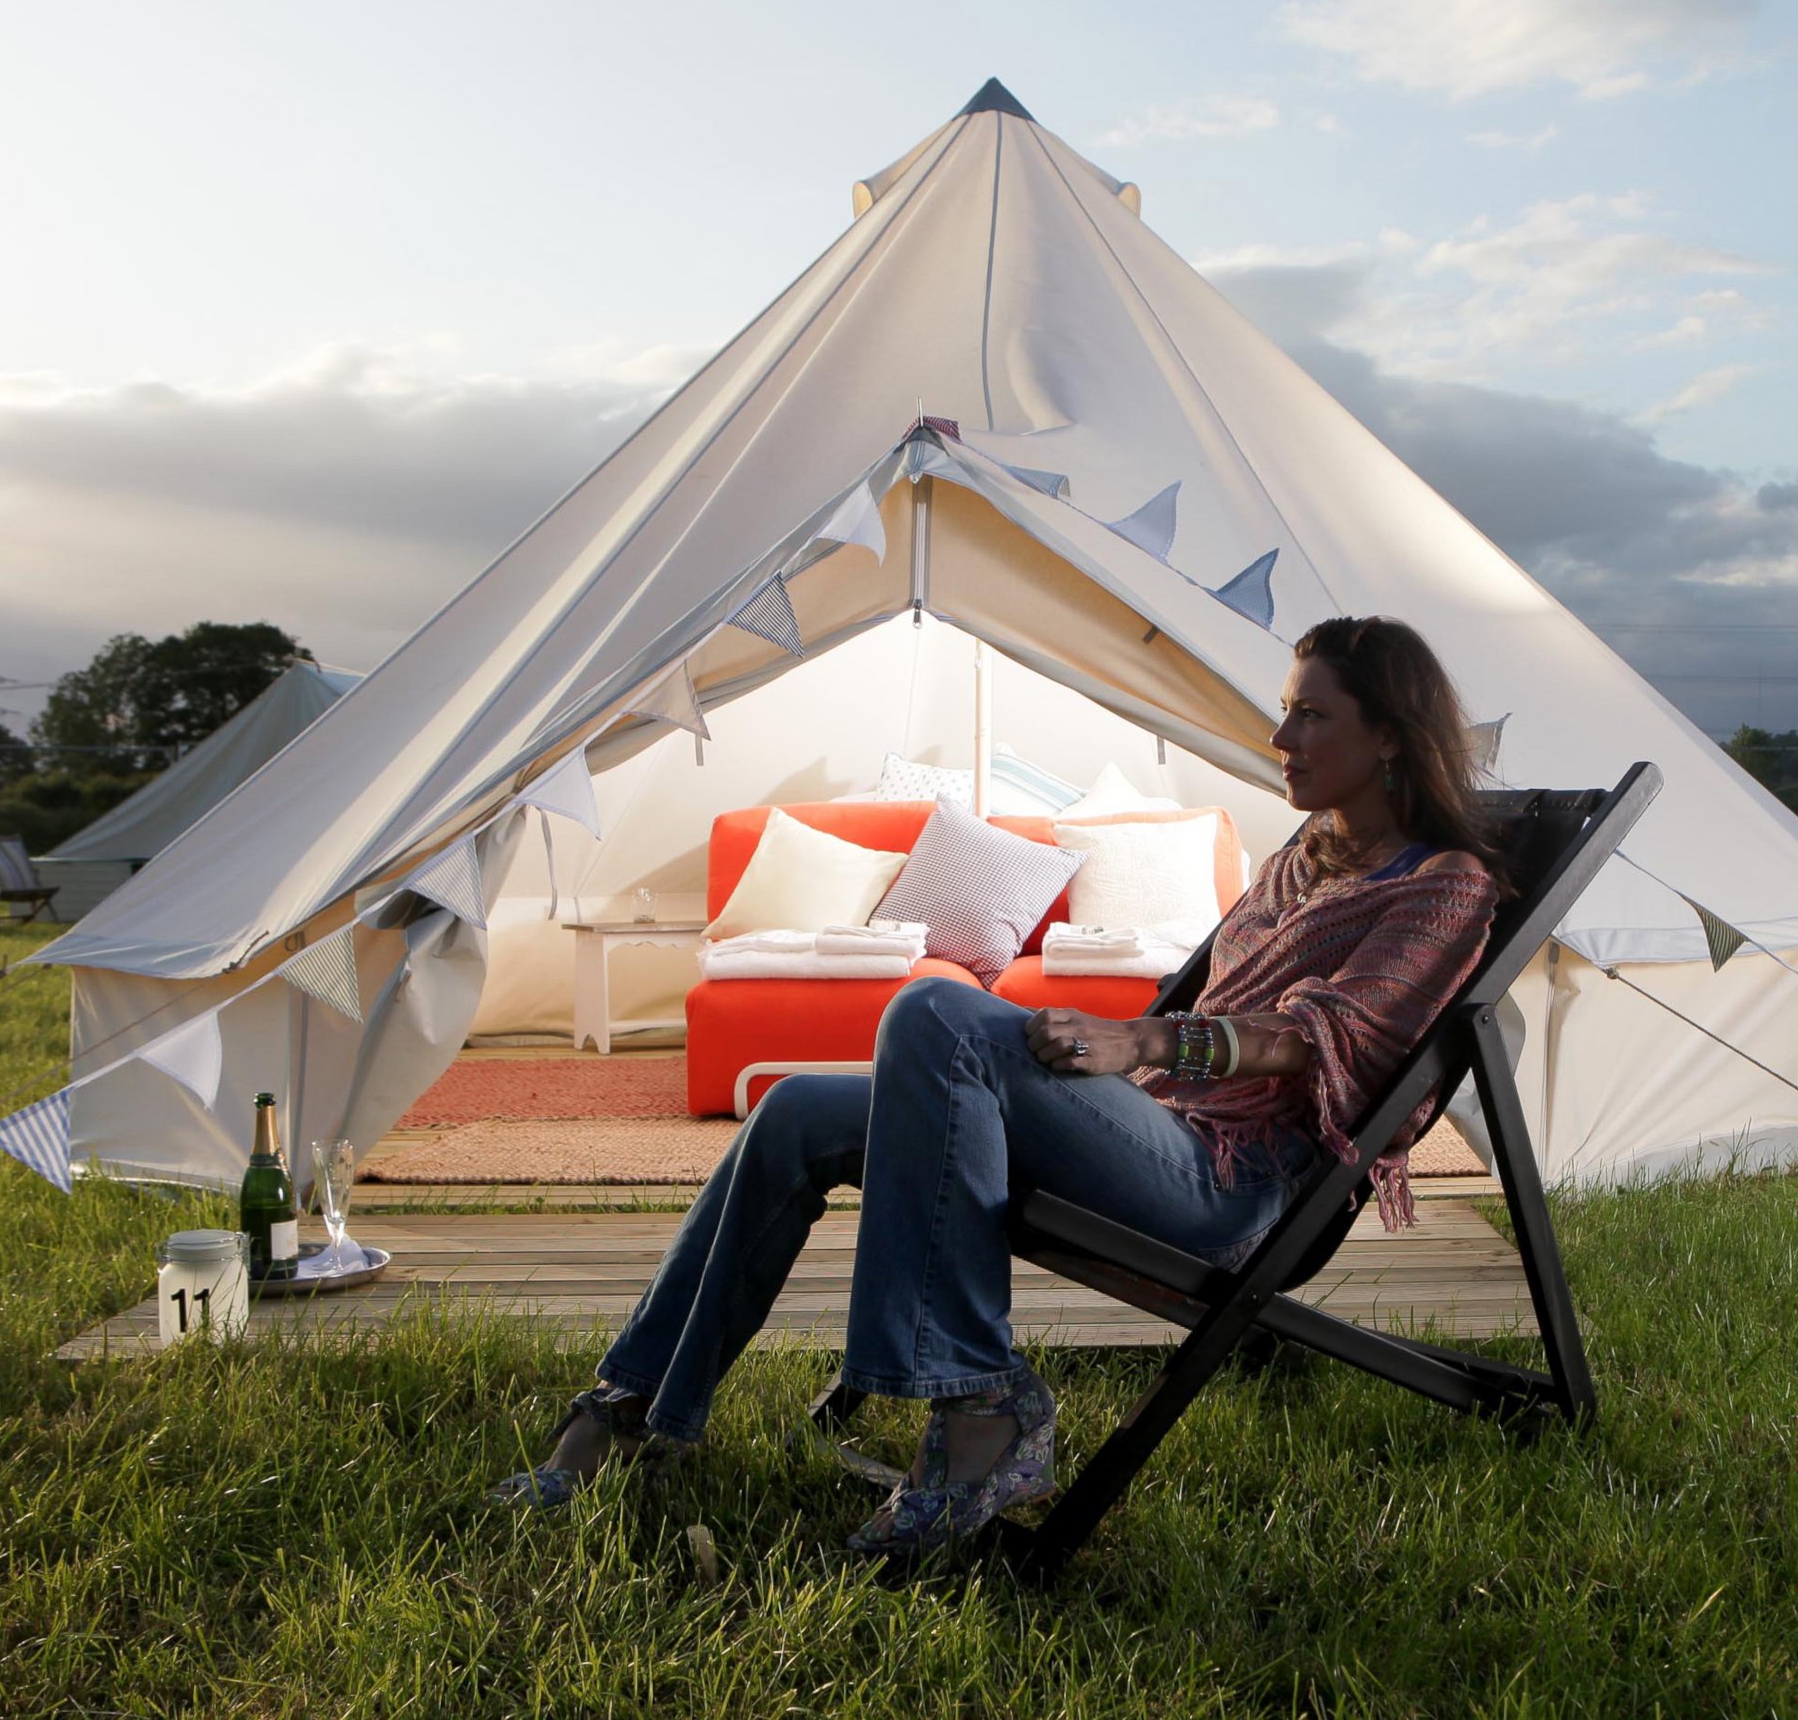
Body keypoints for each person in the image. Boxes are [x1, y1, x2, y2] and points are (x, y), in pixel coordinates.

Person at [488, 615, 1505, 1558]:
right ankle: (638, 1405)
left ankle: (980, 1399)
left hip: (1234, 1187)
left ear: (1389, 737)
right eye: (1287, 705)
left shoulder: (1444, 885)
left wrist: (1134, 1039)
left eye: (1311, 711)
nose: (1280, 731)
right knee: (798, 1109)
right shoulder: (1305, 856)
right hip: (1156, 1130)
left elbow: (1321, 1037)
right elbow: (1219, 990)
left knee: (938, 1013)